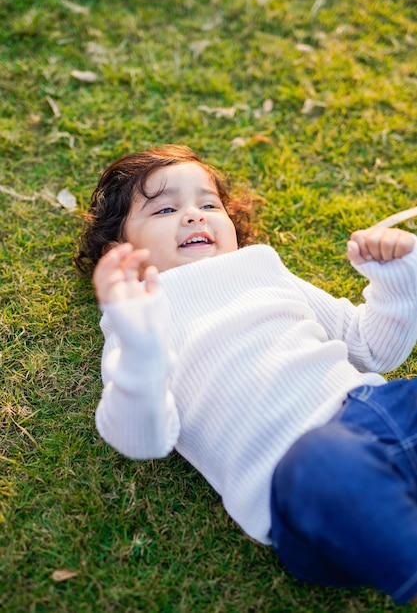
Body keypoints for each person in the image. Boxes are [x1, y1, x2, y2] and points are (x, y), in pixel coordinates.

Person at [76, 144, 417, 605]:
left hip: (377, 413)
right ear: (122, 251)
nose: (195, 215)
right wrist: (142, 347)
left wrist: (396, 279)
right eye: (166, 208)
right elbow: (142, 439)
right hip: (306, 483)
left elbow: (370, 347)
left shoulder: (262, 269)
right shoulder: (137, 320)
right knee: (327, 462)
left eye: (208, 204)